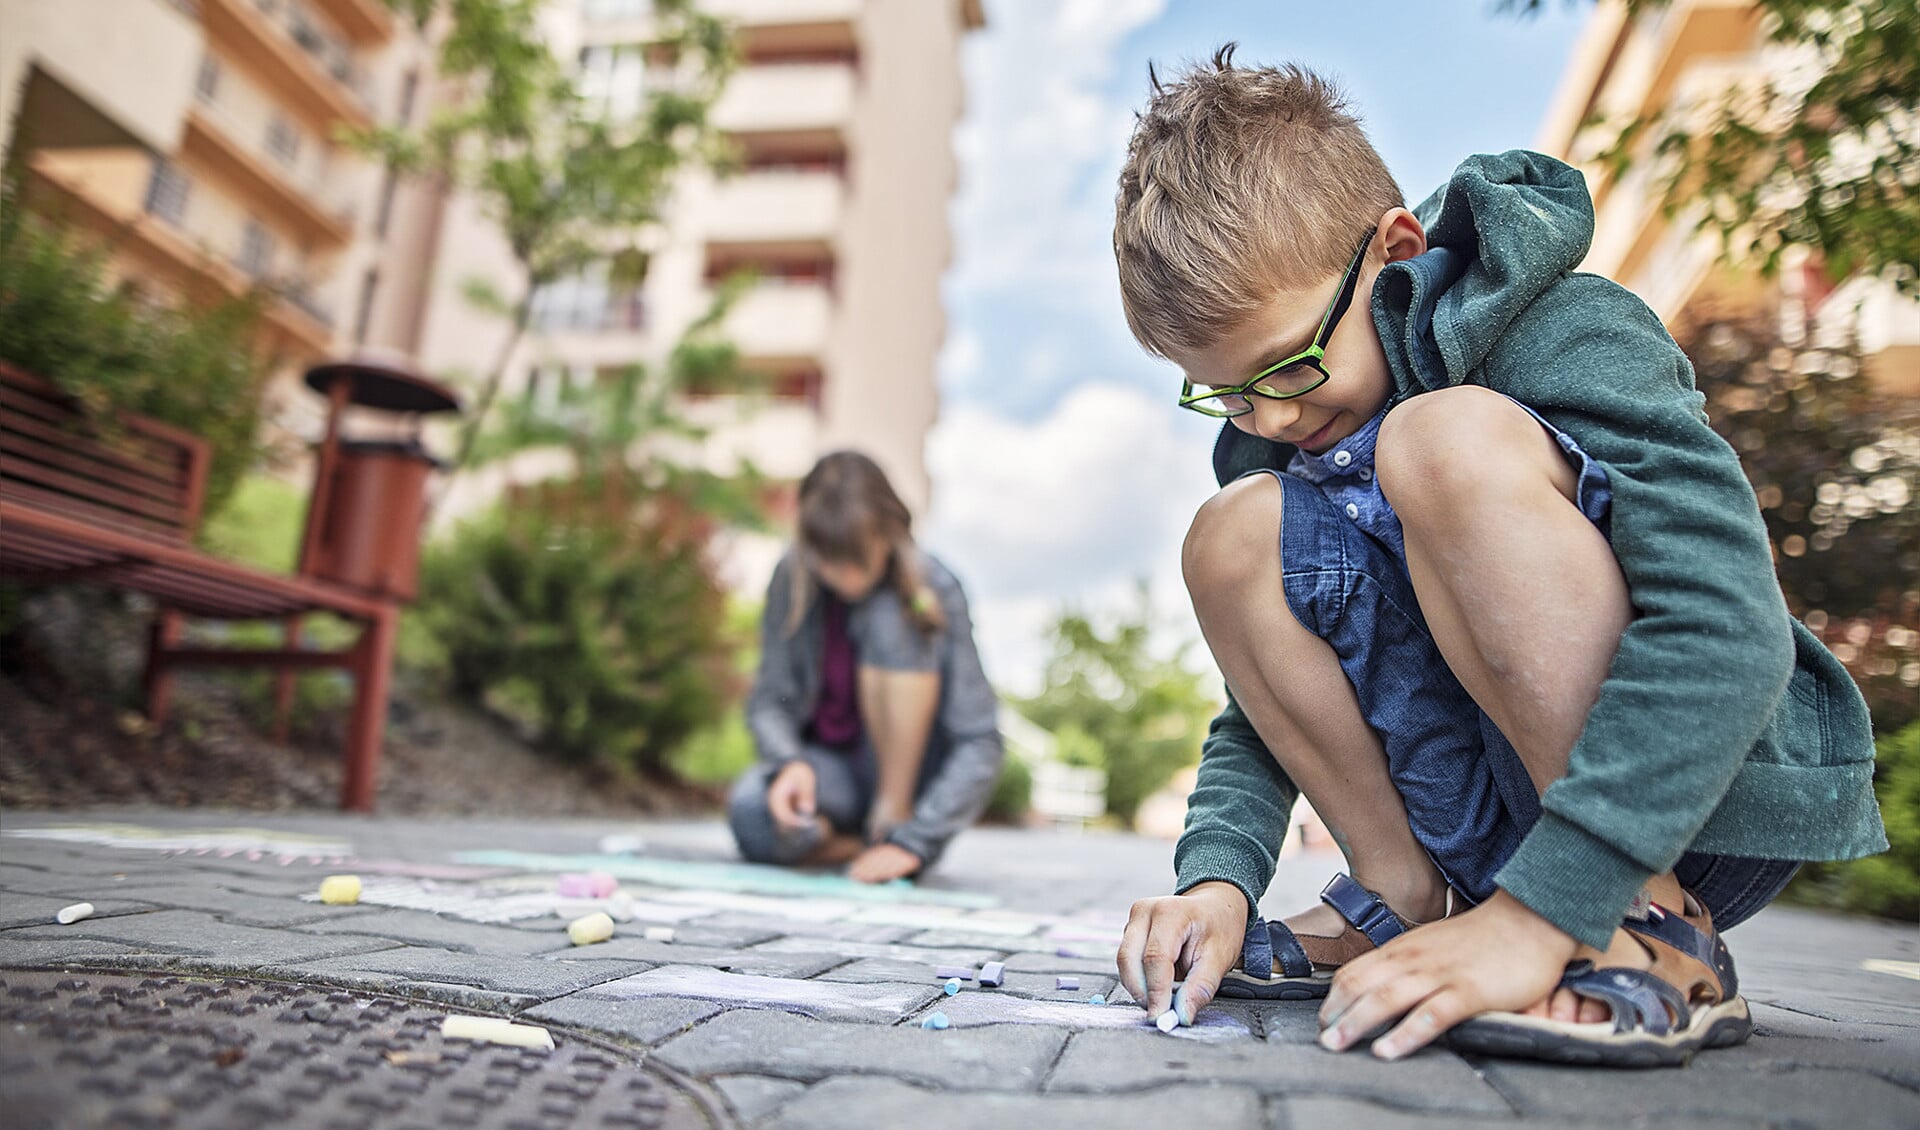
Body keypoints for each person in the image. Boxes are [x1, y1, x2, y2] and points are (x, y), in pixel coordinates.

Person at [1109, 51, 1886, 1066]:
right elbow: (1271, 698)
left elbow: (1727, 622)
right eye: (1225, 392)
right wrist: (1217, 878)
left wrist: (1549, 905)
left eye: (1292, 363)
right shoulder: (1283, 423)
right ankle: (1403, 902)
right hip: (1484, 824)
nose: (1272, 413)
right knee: (1233, 529)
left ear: (1395, 249)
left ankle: (1641, 925)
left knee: (1438, 440)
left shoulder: (1564, 329)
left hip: (1679, 807)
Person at [728, 450, 1003, 884]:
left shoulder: (937, 585)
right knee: (751, 811)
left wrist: (919, 837)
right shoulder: (792, 574)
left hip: (908, 784)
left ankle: (891, 821)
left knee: (890, 615)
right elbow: (768, 701)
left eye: (858, 559)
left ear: (888, 533)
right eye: (828, 560)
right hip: (832, 774)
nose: (844, 577)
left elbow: (979, 740)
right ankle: (859, 845)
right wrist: (789, 762)